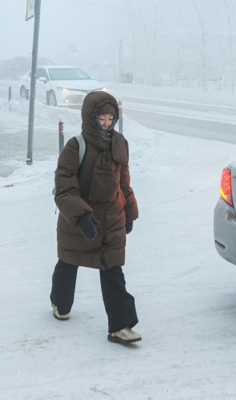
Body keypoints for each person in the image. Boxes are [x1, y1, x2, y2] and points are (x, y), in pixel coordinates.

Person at [51, 91, 141, 345]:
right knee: (69, 262)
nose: (106, 123)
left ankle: (120, 327)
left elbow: (123, 182)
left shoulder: (120, 143)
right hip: (80, 219)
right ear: (90, 117)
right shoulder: (76, 146)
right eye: (101, 118)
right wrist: (80, 217)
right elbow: (65, 187)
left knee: (113, 270)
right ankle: (60, 303)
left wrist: (129, 212)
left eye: (110, 118)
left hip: (111, 219)